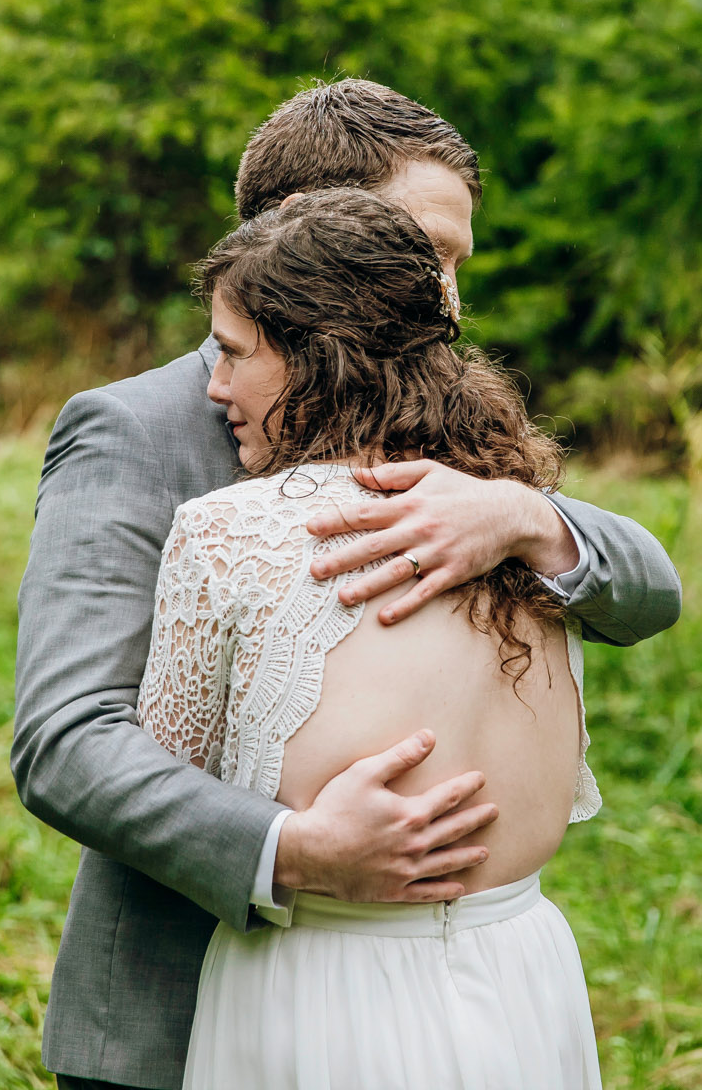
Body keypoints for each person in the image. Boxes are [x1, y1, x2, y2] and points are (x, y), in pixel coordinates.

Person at [11, 79, 682, 1090]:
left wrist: (527, 517)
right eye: (425, 251)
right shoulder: (138, 429)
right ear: (309, 231)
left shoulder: (451, 434)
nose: (448, 295)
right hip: (174, 1010)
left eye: (455, 262)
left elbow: (648, 594)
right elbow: (67, 740)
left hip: (448, 999)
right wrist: (295, 849)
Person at [143, 187, 606, 1087]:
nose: (214, 385)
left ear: (318, 359)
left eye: (235, 354)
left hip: (320, 992)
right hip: (526, 975)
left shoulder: (228, 532)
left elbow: (168, 792)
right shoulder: (525, 521)